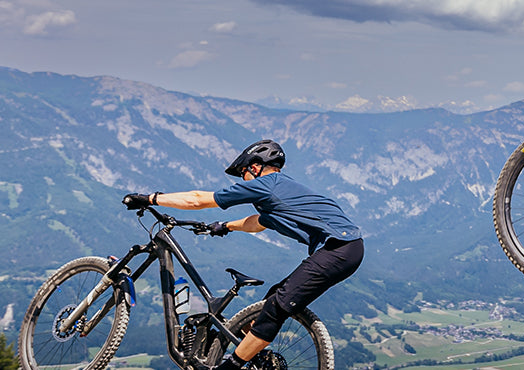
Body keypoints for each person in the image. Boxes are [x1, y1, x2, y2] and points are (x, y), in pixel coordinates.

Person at [122, 139, 364, 370]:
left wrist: (151, 198)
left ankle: (229, 367)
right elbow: (258, 222)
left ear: (255, 168)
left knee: (276, 306)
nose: (243, 181)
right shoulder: (281, 191)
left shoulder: (266, 184)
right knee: (270, 300)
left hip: (338, 248)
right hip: (346, 249)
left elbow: (197, 200)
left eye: (243, 174)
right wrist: (225, 226)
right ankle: (249, 354)